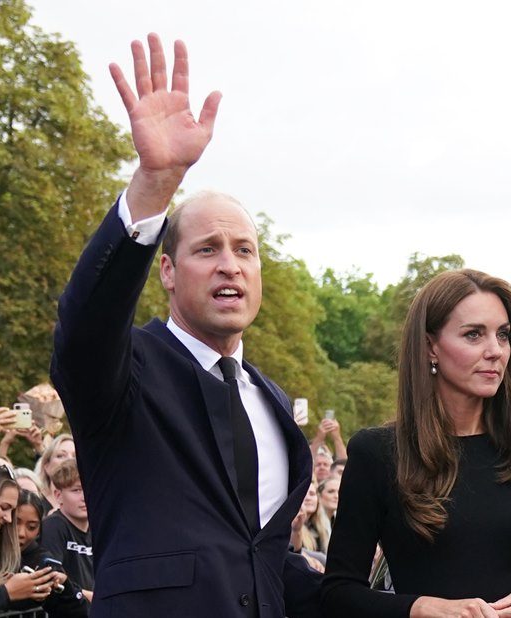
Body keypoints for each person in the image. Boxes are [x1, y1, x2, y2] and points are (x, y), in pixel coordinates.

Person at [49, 33, 319, 617]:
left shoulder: (268, 398)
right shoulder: (125, 369)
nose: (230, 264)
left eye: (245, 251)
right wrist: (157, 182)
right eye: (208, 249)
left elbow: (259, 563)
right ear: (167, 271)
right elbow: (85, 326)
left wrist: (408, 606)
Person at [322, 269, 511, 618]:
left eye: (503, 335)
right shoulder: (378, 454)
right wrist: (419, 607)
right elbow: (338, 592)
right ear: (431, 346)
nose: (495, 351)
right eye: (474, 335)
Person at [0, 465, 57, 614]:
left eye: (12, 511)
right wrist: (6, 592)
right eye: (4, 507)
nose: (9, 519)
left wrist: (32, 588)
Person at [15, 490, 90, 617]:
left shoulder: (44, 562)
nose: (21, 533)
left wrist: (65, 586)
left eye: (32, 527)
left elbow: (81, 610)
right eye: (15, 523)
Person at [40, 459, 93, 601]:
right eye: (76, 490)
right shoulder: (53, 527)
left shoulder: (99, 527)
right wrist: (93, 597)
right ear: (58, 495)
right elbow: (54, 579)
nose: (84, 497)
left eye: (89, 488)